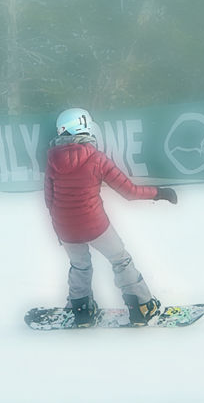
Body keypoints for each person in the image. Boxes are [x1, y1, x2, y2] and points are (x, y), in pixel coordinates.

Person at [42, 108, 180, 327]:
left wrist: (59, 230)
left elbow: (49, 200)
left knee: (80, 266)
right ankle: (142, 308)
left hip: (65, 227)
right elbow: (129, 192)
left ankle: (82, 312)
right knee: (120, 260)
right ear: (84, 127)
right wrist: (160, 193)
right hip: (95, 225)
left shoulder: (52, 160)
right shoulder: (96, 158)